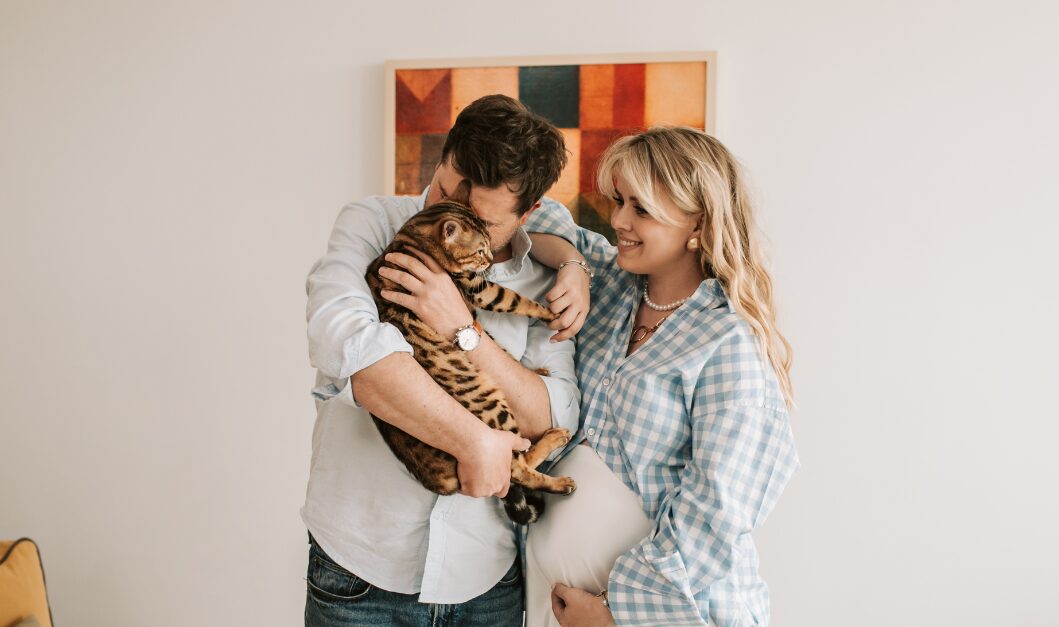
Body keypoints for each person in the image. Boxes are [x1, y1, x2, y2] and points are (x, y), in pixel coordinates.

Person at [301, 94, 582, 627]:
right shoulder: (371, 224)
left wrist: (463, 328)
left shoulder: (546, 280)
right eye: (445, 191)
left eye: (479, 221)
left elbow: (554, 417)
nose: (447, 220)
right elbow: (350, 350)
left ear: (529, 214)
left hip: (487, 582)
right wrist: (473, 442)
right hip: (360, 570)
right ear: (442, 158)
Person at [521, 126, 800, 626]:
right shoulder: (608, 284)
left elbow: (718, 508)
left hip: (657, 615)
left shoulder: (726, 341)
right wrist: (573, 266)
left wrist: (614, 613)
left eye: (641, 208)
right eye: (619, 200)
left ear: (698, 222)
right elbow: (531, 216)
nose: (619, 220)